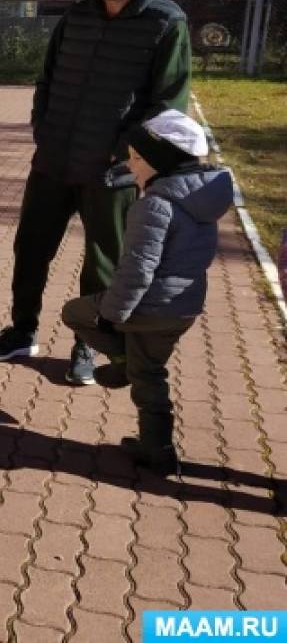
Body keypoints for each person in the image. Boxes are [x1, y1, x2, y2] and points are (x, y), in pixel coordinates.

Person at [0, 0, 193, 384]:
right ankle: (22, 330)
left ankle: (87, 346)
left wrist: (126, 153)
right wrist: (44, 128)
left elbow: (168, 104)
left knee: (103, 261)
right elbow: (47, 80)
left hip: (111, 171)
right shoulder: (76, 17)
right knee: (31, 248)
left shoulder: (165, 22)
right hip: (54, 160)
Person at [60, 111, 232, 474]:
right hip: (184, 309)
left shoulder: (154, 205)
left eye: (137, 158)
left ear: (162, 161)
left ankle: (157, 448)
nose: (130, 165)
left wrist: (109, 317)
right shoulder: (202, 198)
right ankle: (139, 396)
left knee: (78, 315)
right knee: (149, 368)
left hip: (150, 310)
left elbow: (137, 270)